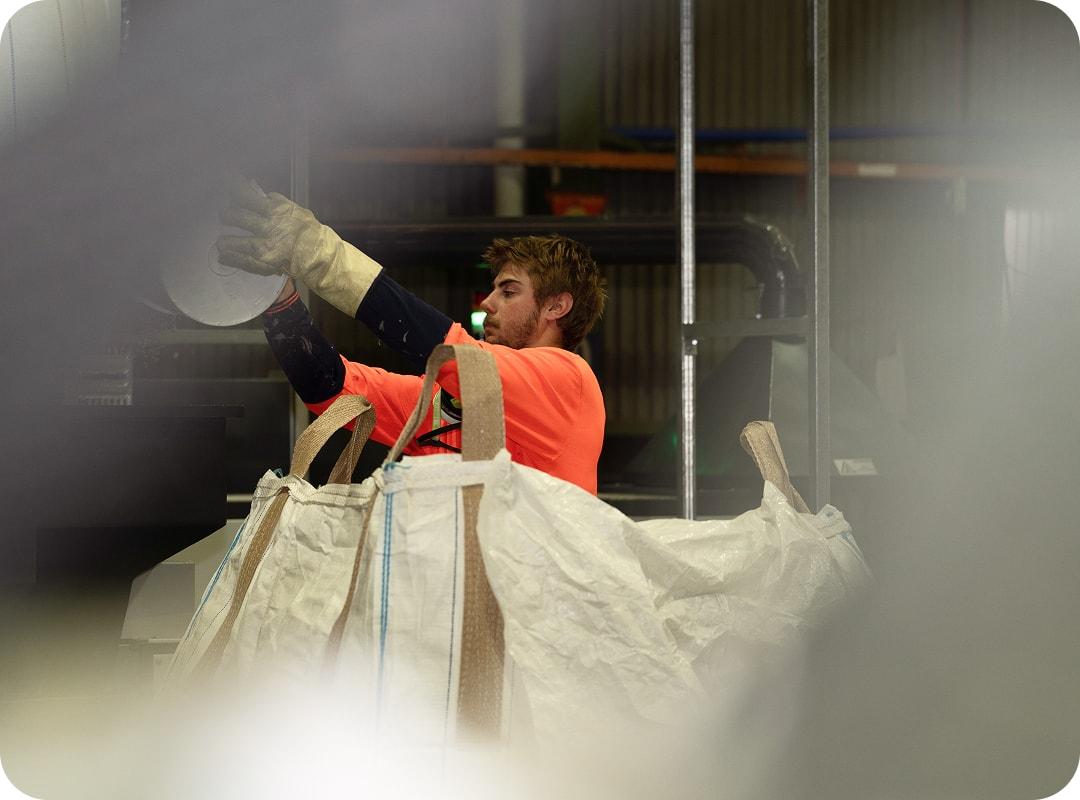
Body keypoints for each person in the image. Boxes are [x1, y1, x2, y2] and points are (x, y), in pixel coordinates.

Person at [216, 182, 607, 494]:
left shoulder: (568, 380)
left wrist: (317, 253)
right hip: (457, 588)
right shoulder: (449, 402)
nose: (487, 303)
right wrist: (277, 301)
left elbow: (450, 351)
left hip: (535, 592)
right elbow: (334, 393)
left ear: (557, 307)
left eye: (508, 291)